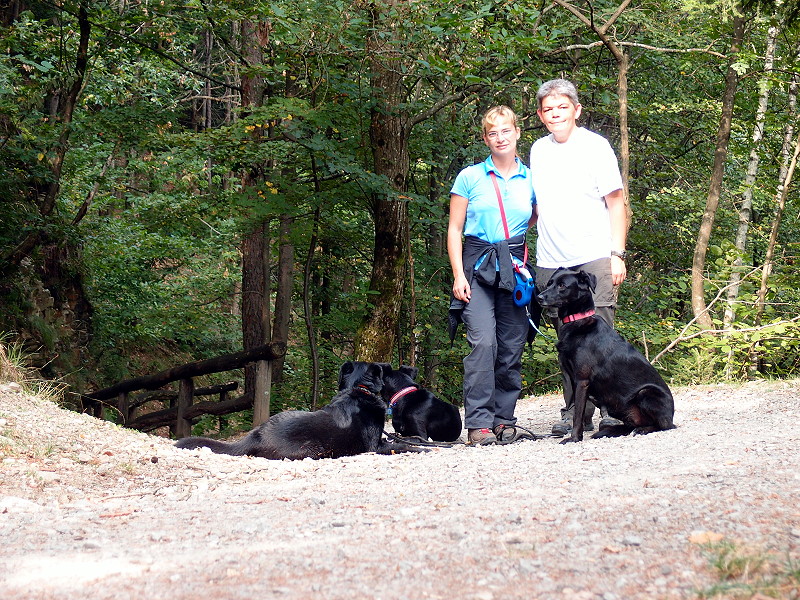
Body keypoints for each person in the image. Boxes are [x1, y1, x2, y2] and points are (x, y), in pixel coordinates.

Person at [529, 78, 627, 437]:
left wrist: (617, 254)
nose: (556, 114)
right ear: (541, 115)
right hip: (552, 259)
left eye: (562, 107)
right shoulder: (538, 150)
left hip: (594, 255)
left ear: (576, 110)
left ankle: (612, 410)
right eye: (549, 109)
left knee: (601, 337)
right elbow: (538, 205)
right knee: (567, 342)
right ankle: (576, 414)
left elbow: (616, 202)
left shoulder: (596, 147)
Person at [447, 105, 536, 445]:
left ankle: (504, 419)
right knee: (484, 342)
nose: (500, 138)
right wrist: (458, 275)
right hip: (475, 263)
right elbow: (454, 229)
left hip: (514, 265)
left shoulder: (531, 178)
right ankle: (479, 423)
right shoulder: (470, 177)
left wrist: (510, 242)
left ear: (517, 133)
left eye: (505, 130)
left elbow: (535, 216)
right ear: (485, 138)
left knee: (511, 344)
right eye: (492, 132)